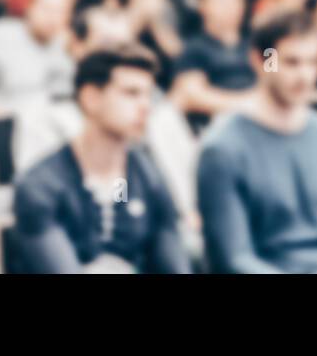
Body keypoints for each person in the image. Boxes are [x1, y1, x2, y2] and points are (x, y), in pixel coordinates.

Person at [196, 10, 317, 274]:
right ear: (261, 61)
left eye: (313, 62)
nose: (305, 75)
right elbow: (233, 259)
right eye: (292, 62)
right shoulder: (222, 149)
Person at [12, 45, 191, 274]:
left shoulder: (146, 177)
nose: (145, 106)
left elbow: (175, 264)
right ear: (91, 98)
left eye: (148, 95)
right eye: (131, 93)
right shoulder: (41, 186)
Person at [170, 0, 255, 121]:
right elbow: (192, 96)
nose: (230, 6)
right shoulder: (194, 49)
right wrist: (248, 104)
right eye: (221, 0)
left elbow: (273, 76)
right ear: (203, 5)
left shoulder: (263, 45)